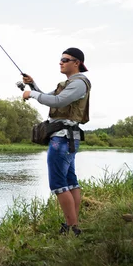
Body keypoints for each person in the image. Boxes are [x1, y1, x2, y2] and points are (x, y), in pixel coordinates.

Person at [21, 47, 92, 236]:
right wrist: (33, 85)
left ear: (76, 63)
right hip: (66, 139)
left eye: (65, 59)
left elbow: (58, 101)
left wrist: (31, 95)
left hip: (62, 140)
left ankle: (71, 228)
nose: (60, 62)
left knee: (59, 184)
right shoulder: (69, 83)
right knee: (70, 181)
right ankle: (73, 225)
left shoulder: (79, 83)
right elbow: (50, 97)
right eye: (60, 59)